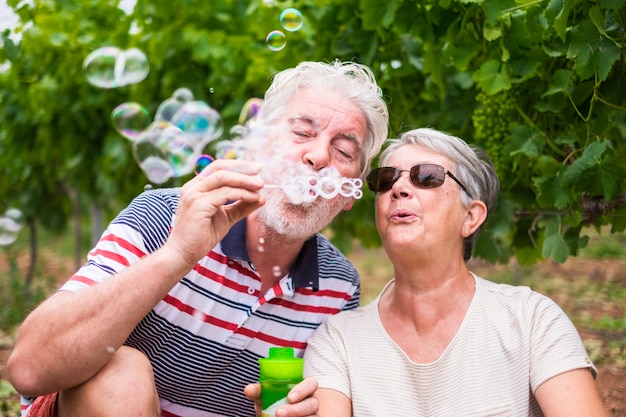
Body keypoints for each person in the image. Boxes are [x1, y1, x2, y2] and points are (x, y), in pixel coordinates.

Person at [7, 60, 389, 417]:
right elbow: (28, 369)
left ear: (349, 195)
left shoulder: (338, 286)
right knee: (121, 372)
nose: (318, 156)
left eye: (342, 151)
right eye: (302, 132)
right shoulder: (162, 217)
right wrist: (177, 254)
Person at [303, 128, 607, 417]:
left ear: (471, 217)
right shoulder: (337, 339)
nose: (397, 188)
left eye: (426, 177)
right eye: (385, 179)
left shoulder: (532, 321)